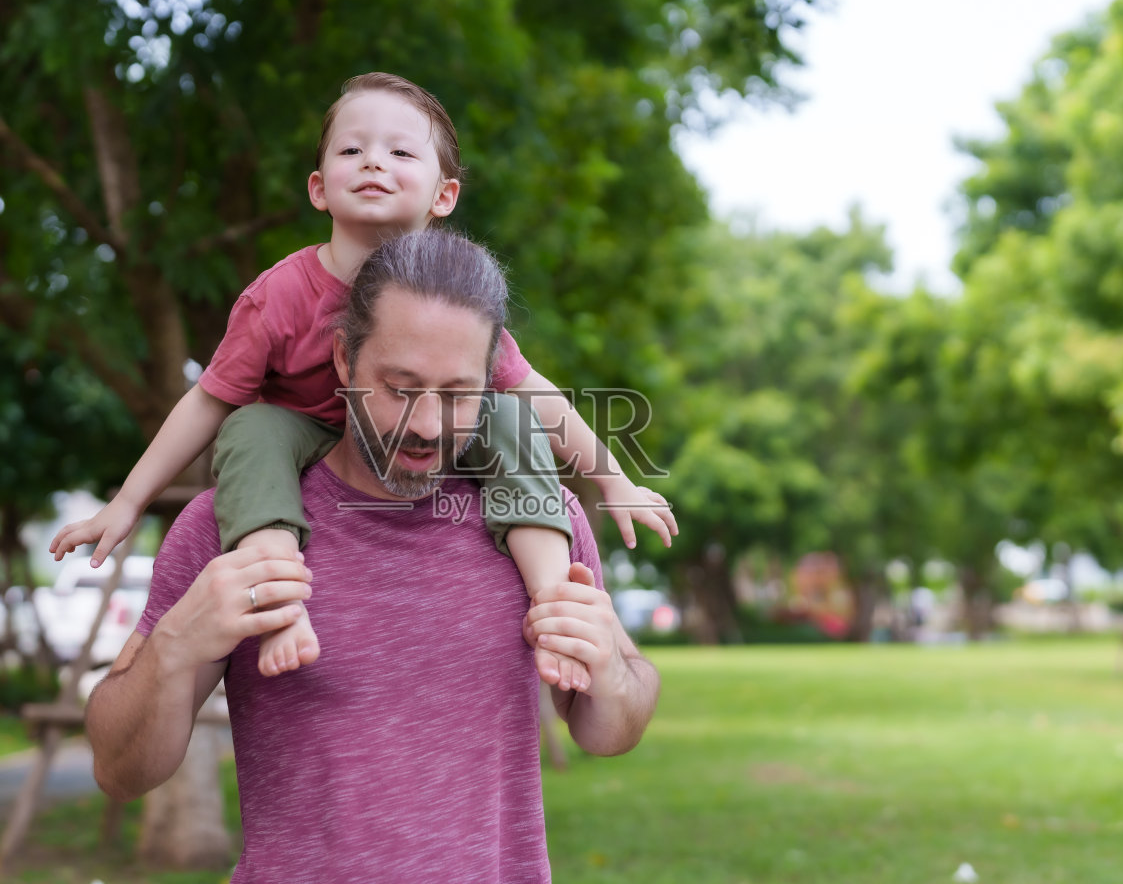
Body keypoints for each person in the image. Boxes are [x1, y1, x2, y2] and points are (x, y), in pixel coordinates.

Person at [86, 230, 661, 884]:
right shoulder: (229, 528)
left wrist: (615, 669)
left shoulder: (540, 525)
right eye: (399, 385)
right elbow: (121, 768)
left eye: (458, 395)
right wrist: (175, 647)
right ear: (341, 361)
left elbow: (608, 727)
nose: (427, 424)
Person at [49, 72, 675, 690]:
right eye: (353, 150)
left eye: (400, 152)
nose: (373, 161)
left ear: (444, 195)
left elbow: (535, 390)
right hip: (306, 438)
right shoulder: (278, 298)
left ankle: (552, 600)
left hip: (411, 444)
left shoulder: (448, 304)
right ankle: (278, 602)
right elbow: (209, 399)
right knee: (250, 425)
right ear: (319, 188)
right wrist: (128, 501)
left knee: (509, 417)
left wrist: (614, 478)